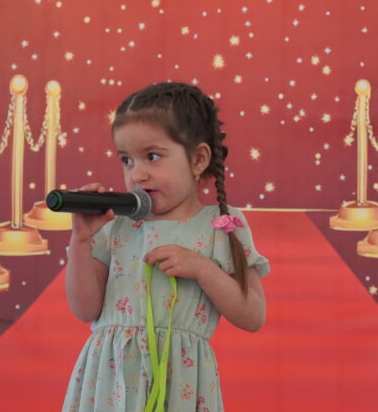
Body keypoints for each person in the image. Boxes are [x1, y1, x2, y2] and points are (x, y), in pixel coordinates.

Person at [62, 82, 269, 412]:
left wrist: (203, 270)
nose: (137, 174)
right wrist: (81, 241)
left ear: (198, 159)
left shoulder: (221, 225)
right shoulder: (116, 225)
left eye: (152, 157)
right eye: (127, 160)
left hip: (181, 384)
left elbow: (253, 315)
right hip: (111, 382)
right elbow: (84, 309)